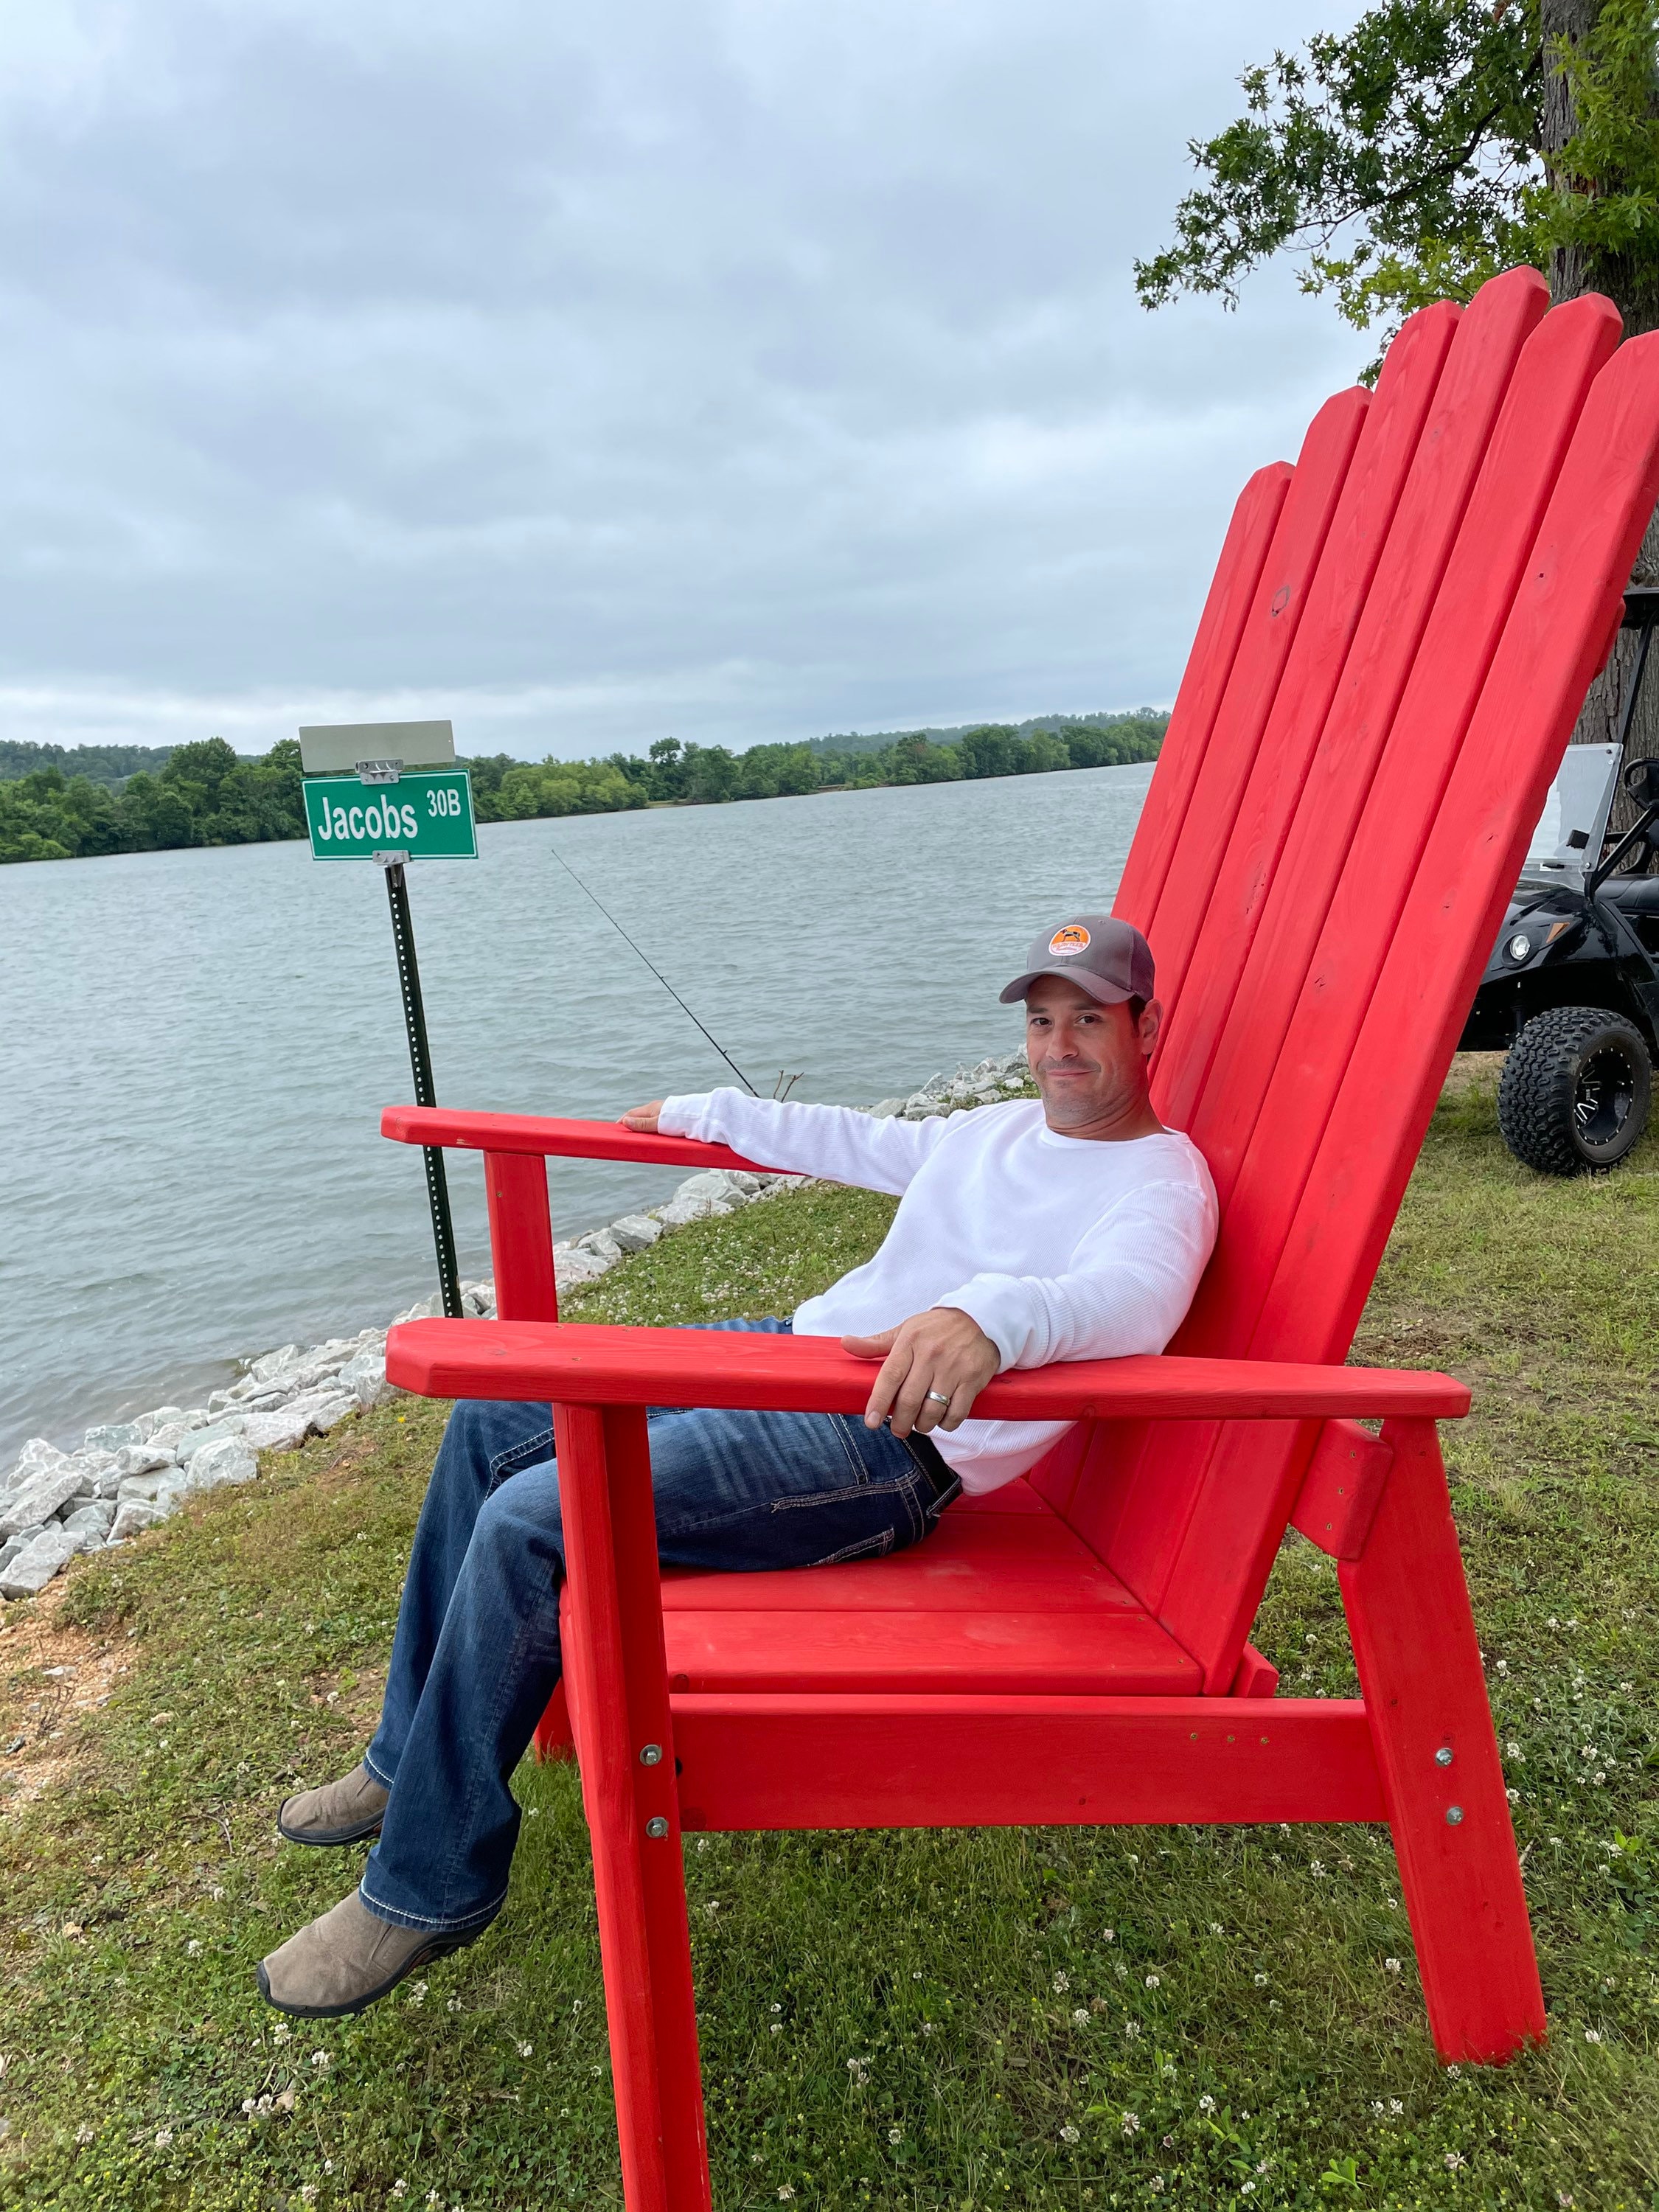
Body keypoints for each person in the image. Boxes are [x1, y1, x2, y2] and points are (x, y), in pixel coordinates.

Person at [257, 914, 1217, 2017]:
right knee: (492, 1419)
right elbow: (851, 1139)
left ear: (1144, 1025)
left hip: (883, 1441)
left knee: (539, 1513)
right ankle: (400, 1763)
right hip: (789, 1354)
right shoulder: (994, 1133)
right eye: (1043, 1022)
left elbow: (1127, 1300)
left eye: (1087, 1020)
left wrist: (988, 1317)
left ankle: (429, 1889)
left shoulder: (1161, 1184)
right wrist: (703, 1114)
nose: (1057, 1047)